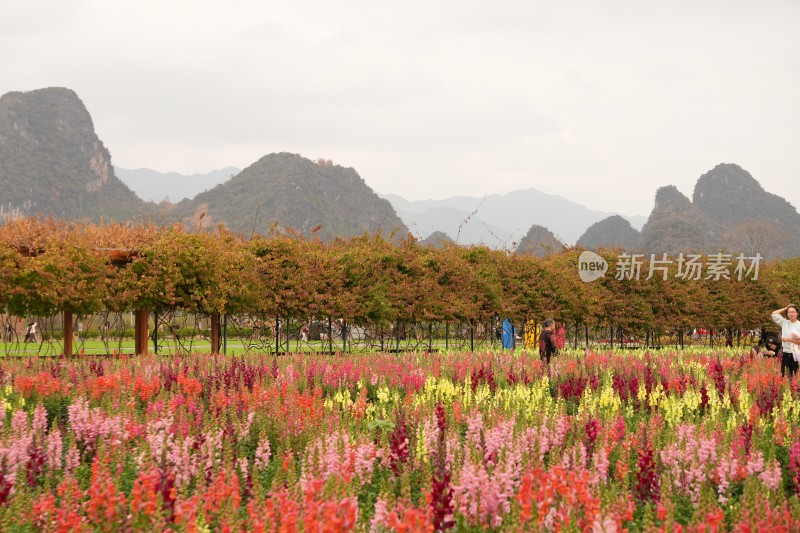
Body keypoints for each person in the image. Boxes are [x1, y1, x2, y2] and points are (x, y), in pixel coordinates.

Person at [771, 305, 800, 378]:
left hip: (796, 354)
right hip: (786, 353)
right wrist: (785, 308)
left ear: (797, 313)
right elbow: (773, 314)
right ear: (787, 314)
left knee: (795, 376)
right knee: (784, 375)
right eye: (789, 312)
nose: (791, 314)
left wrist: (788, 339)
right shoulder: (784, 322)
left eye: (793, 312)